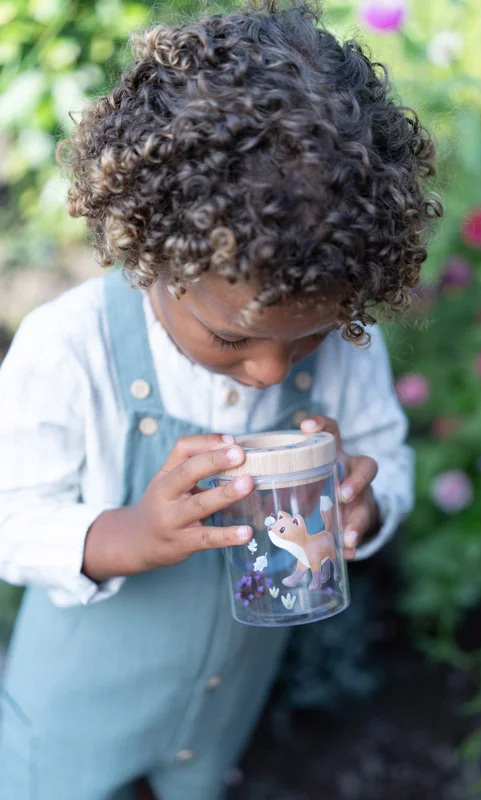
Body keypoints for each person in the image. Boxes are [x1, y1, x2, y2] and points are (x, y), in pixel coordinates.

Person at [0, 1, 442, 797]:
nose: (271, 371)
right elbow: (10, 518)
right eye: (229, 338)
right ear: (153, 254)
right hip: (72, 717)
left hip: (218, 710)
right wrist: (126, 534)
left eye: (306, 338)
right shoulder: (69, 348)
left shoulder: (346, 344)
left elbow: (386, 452)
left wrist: (364, 504)